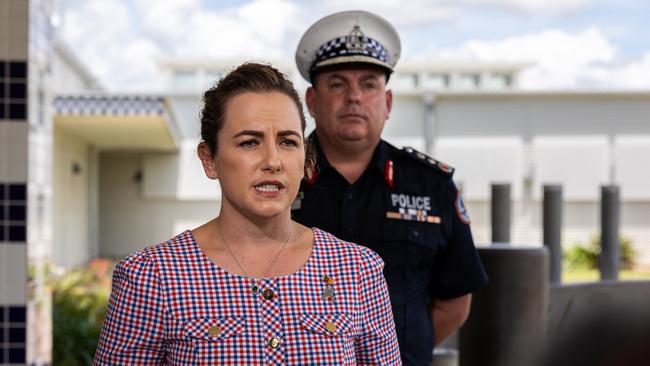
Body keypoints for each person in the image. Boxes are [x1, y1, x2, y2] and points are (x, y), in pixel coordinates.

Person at [93, 63, 400, 365]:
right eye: (250, 142)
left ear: (305, 159)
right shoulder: (152, 276)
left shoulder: (358, 271)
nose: (273, 161)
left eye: (287, 141)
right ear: (209, 159)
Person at [292, 11, 488, 366]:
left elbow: (454, 303)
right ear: (311, 101)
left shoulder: (432, 186)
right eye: (337, 83)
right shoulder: (278, 179)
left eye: (369, 84)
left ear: (388, 103)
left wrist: (399, 353)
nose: (354, 97)